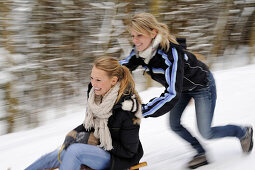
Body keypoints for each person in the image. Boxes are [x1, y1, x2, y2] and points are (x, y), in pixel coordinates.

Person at [120, 12, 253, 169]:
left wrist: (140, 110)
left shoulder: (171, 55)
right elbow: (122, 67)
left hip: (202, 86)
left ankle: (243, 132)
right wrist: (103, 75)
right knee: (174, 124)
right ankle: (200, 152)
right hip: (182, 88)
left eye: (139, 35)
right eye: (133, 36)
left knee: (206, 131)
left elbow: (171, 94)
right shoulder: (139, 51)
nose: (135, 41)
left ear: (153, 33)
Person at [25, 56, 144, 170]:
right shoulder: (96, 97)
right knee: (57, 154)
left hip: (118, 160)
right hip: (98, 150)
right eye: (92, 78)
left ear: (113, 80)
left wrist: (97, 141)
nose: (93, 84)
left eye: (98, 80)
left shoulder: (128, 109)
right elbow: (91, 125)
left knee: (75, 152)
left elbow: (129, 152)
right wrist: (75, 133)